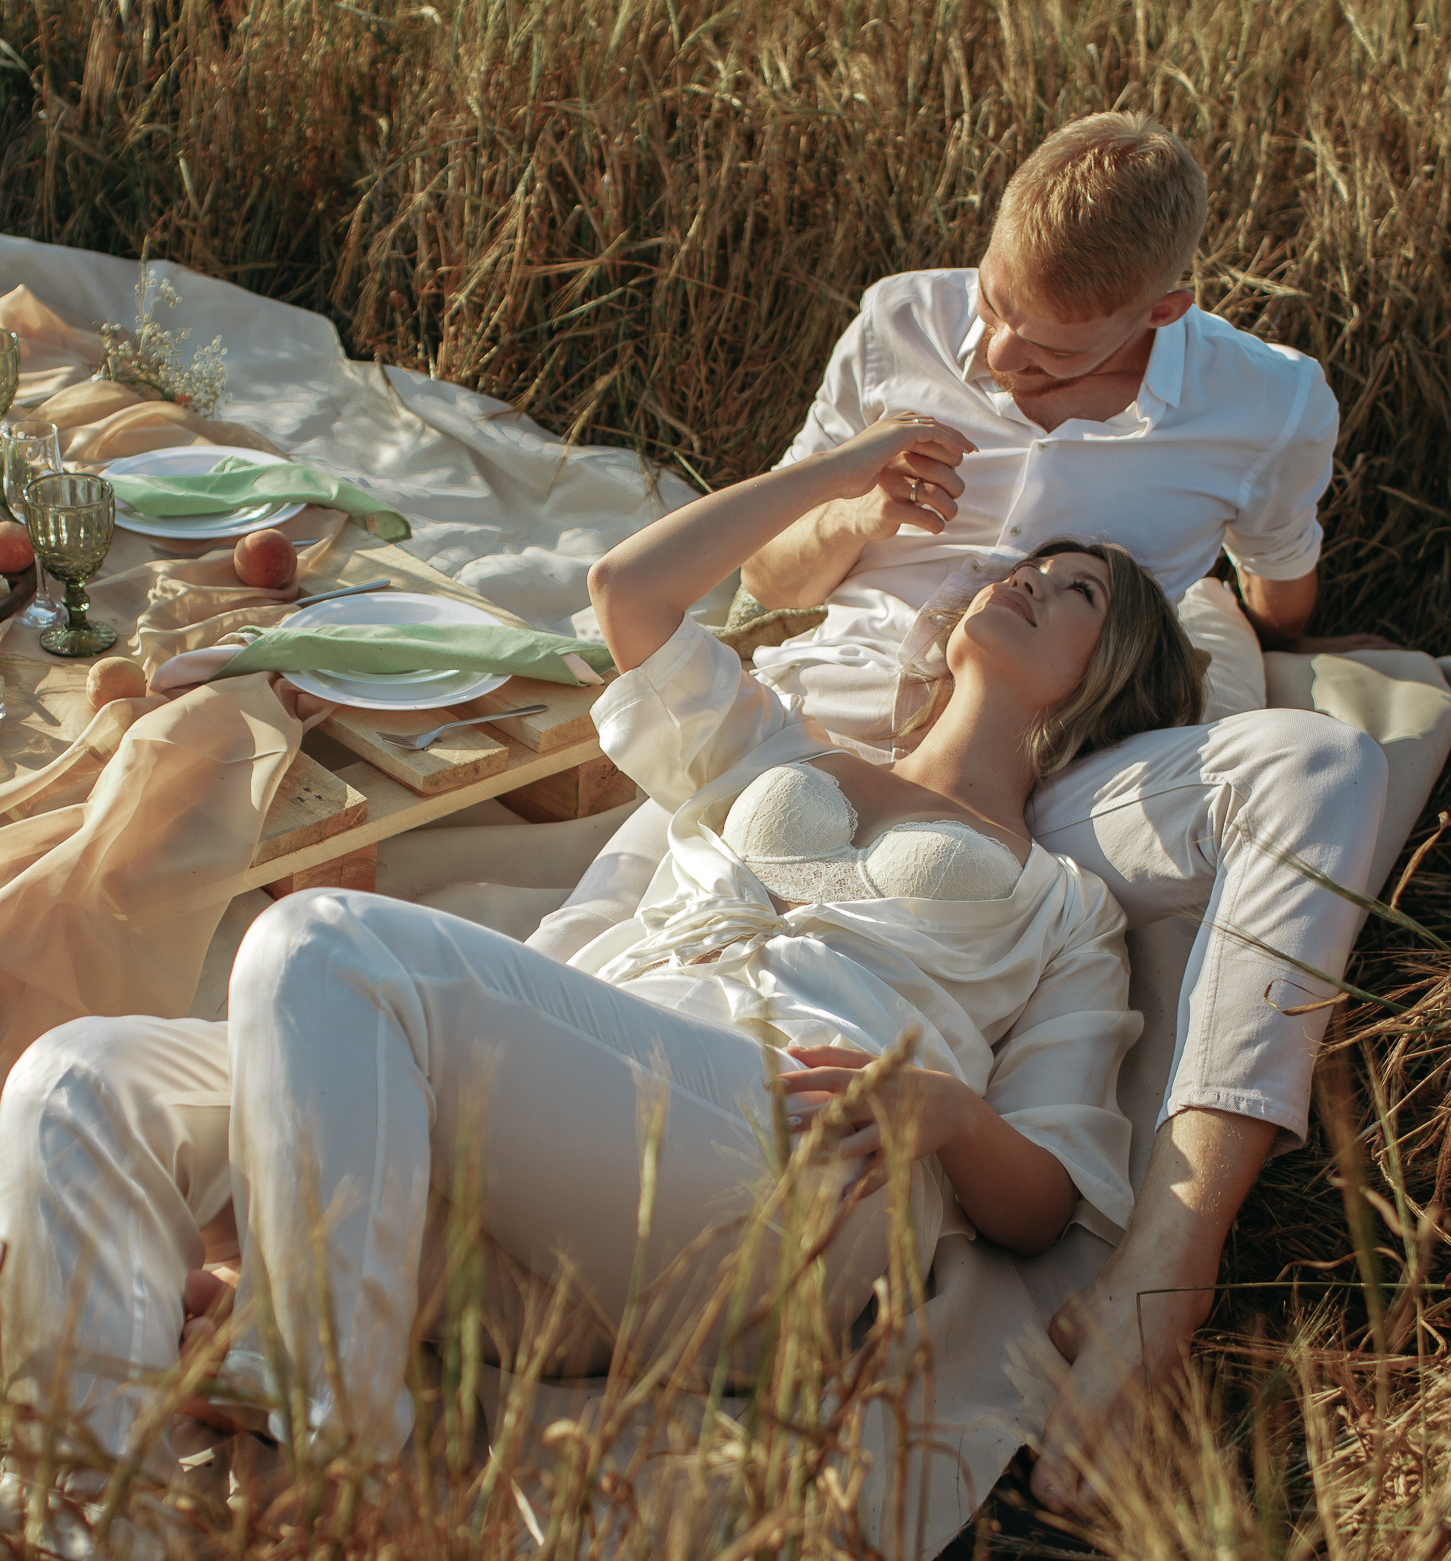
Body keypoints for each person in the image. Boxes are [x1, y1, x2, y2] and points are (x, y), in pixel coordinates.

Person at [0, 409, 1206, 1552]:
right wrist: (848, 469)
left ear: (1116, 676)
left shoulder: (1065, 905)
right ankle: (93, 1525)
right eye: (1025, 564)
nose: (1029, 576)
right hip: (578, 1102)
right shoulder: (784, 746)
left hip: (776, 1159)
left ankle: (339, 1454)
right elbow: (630, 589)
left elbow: (1048, 1200)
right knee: (75, 1077)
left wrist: (946, 1115)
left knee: (319, 945)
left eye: (1079, 587)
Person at [527, 110, 1393, 1512]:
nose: (994, 360)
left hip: (1071, 752)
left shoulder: (1270, 400)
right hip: (838, 706)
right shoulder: (902, 322)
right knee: (630, 920)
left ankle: (1164, 1275)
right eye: (990, 307)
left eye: (1043, 349)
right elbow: (783, 582)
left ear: (1162, 313)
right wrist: (862, 505)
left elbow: (1285, 579)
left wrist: (1235, 634)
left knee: (1327, 769)